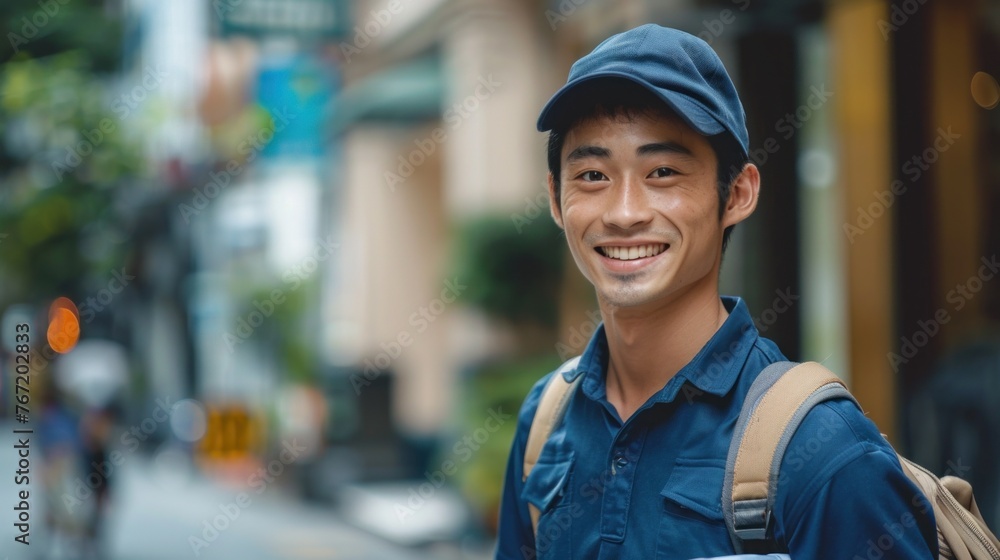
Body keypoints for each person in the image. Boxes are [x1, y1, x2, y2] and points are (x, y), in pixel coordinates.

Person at [495, 24, 938, 559]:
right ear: (555, 198)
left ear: (738, 193)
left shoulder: (823, 451)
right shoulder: (546, 424)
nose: (624, 212)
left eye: (662, 172)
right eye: (592, 175)